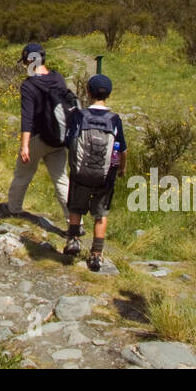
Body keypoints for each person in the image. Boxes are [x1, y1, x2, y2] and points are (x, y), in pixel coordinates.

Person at [0, 43, 70, 223]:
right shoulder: (58, 77)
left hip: (38, 138)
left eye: (25, 62)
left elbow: (27, 117)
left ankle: (13, 209)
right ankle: (75, 222)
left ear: (31, 61)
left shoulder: (29, 85)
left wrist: (24, 146)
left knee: (22, 175)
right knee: (61, 179)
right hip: (59, 137)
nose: (25, 66)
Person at [65, 74, 126, 272]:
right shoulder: (115, 120)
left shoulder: (79, 115)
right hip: (104, 177)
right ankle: (96, 255)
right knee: (100, 214)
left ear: (88, 92)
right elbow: (120, 149)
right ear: (109, 94)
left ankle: (73, 240)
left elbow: (70, 141)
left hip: (80, 173)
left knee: (76, 207)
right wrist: (119, 169)